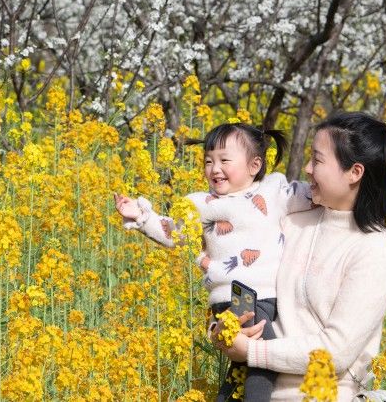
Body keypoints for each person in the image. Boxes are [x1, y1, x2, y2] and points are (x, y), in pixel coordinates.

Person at [211, 112, 386, 402]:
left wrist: (251, 351)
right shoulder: (291, 220)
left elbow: (334, 352)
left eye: (318, 160)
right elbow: (236, 278)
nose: (307, 168)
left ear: (355, 172)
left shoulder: (374, 251)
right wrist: (221, 330)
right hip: (249, 389)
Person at [115, 123, 314, 402]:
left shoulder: (274, 191)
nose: (214, 168)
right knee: (266, 353)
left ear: (254, 165)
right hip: (237, 298)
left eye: (224, 160)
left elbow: (313, 193)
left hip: (270, 300)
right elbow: (175, 234)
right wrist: (142, 217)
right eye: (208, 161)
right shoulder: (202, 204)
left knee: (242, 369)